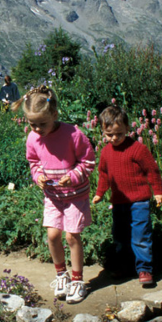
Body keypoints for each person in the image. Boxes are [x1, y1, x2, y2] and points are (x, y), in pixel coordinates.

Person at [12, 85, 96, 303]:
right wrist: (38, 175)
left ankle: (78, 281)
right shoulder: (33, 138)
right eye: (32, 124)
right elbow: (34, 162)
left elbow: (87, 161)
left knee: (72, 236)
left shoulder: (74, 134)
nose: (37, 129)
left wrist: (75, 175)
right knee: (52, 235)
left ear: (55, 114)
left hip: (75, 195)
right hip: (53, 196)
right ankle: (62, 275)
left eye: (42, 124)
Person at [92, 105, 162, 286]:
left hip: (139, 201)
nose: (114, 138)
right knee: (121, 236)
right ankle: (124, 266)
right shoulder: (106, 152)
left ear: (127, 129)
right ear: (103, 131)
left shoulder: (137, 149)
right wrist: (100, 193)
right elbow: (104, 174)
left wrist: (158, 192)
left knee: (140, 236)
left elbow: (152, 171)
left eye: (119, 134)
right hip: (119, 202)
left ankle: (144, 269)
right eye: (109, 134)